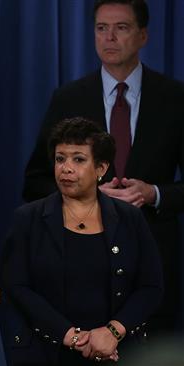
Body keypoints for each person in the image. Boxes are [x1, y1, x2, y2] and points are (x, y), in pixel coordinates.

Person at [22, 0, 184, 334]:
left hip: (151, 272)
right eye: (101, 28)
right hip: (80, 272)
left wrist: (154, 194)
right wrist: (88, 192)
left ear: (142, 35)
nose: (109, 37)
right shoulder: (68, 98)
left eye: (121, 28)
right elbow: (34, 182)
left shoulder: (174, 98)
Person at [2, 117, 163, 365]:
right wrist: (72, 336)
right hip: (47, 353)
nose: (66, 168)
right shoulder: (28, 219)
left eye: (78, 159)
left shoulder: (129, 218)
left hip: (118, 353)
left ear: (101, 168)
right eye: (60, 159)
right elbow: (17, 287)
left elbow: (151, 287)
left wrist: (112, 332)